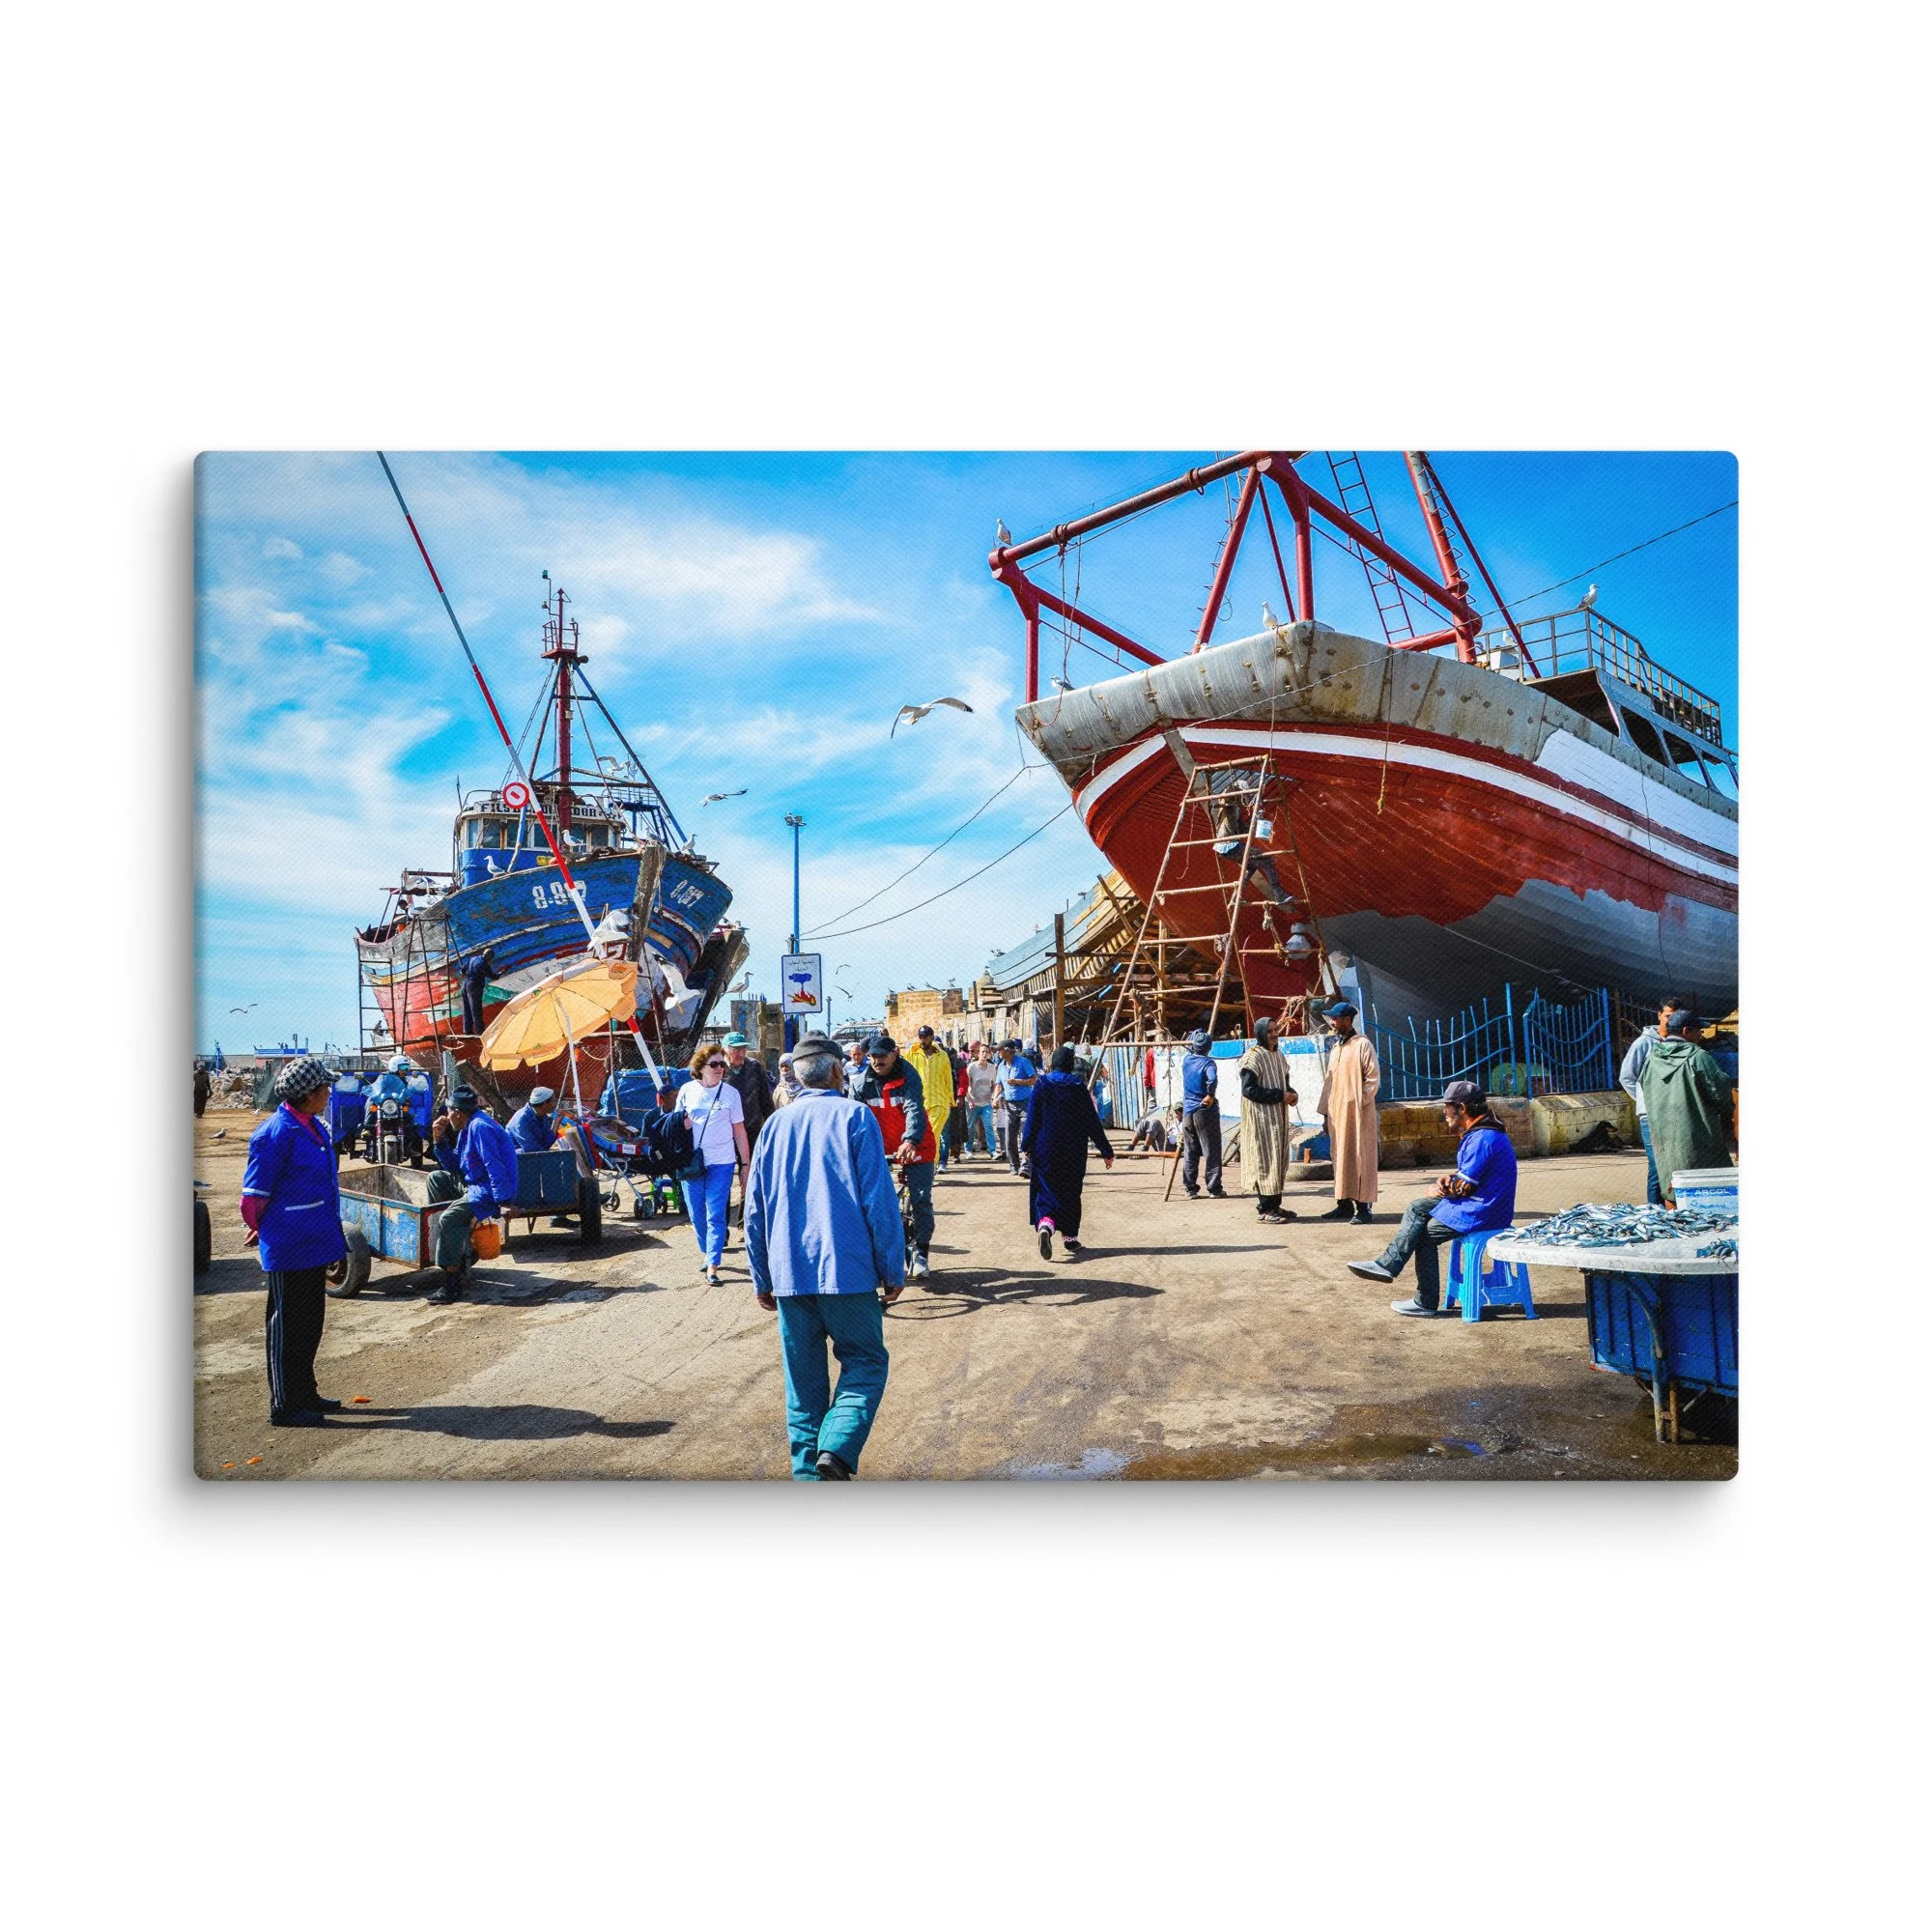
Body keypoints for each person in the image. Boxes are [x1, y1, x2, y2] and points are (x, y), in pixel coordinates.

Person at [744, 1033, 904, 1480]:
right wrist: (893, 1266)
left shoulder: (775, 1126)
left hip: (790, 1276)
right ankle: (836, 1448)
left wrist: (761, 1275)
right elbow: (878, 1199)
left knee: (803, 1390)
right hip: (848, 1272)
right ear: (837, 1071)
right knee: (866, 1362)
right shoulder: (855, 1116)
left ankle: (810, 1481)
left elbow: (753, 1209)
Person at [1347, 1080, 1518, 1317]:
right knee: (1418, 1208)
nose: (1444, 1113)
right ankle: (1388, 1266)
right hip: (1478, 1203)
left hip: (1482, 1210)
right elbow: (1471, 1175)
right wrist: (1448, 1181)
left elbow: (1465, 1186)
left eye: (1448, 1107)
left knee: (1423, 1235)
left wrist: (1441, 1189)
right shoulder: (1481, 1132)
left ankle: (1422, 1299)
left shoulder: (1483, 1138)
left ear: (1462, 1109)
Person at [240, 1056, 349, 1427]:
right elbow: (254, 1196)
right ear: (308, 1094)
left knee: (309, 1323)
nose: (329, 1092)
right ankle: (285, 1404)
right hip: (290, 1244)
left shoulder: (312, 1126)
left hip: (314, 1238)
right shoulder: (275, 1133)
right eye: (324, 1087)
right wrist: (263, 1226)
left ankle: (306, 1393)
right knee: (286, 1326)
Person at [850, 1033, 936, 1279]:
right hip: (880, 1150)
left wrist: (910, 1140)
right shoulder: (859, 1084)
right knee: (871, 1202)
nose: (877, 1061)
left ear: (895, 1054)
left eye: (882, 1056)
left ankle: (921, 1251)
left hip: (917, 1145)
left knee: (920, 1199)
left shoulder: (909, 1076)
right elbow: (855, 1121)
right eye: (872, 1057)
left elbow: (914, 1109)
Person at [424, 1085, 521, 1303]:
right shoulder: (468, 1127)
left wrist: (504, 1201)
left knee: (449, 1219)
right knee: (436, 1178)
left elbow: (494, 1166)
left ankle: (451, 1283)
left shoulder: (480, 1127)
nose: (446, 1117)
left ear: (457, 1112)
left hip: (486, 1190)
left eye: (448, 1111)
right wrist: (438, 1139)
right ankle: (456, 1248)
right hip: (473, 1183)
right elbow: (456, 1165)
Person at [1022, 1045, 1116, 1259]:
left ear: (1052, 1063)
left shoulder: (1042, 1084)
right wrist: (1106, 1151)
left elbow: (1032, 1119)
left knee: (1046, 1189)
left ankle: (1046, 1224)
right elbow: (1092, 1122)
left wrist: (1026, 1146)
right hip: (1073, 1150)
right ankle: (1070, 1238)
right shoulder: (1077, 1086)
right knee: (1071, 1192)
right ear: (1071, 1064)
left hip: (1045, 1149)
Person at [1638, 1009, 1735, 1204]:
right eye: (1698, 1030)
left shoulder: (1651, 1060)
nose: (1701, 1035)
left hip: (1663, 1138)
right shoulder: (1698, 1057)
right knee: (1710, 1191)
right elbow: (1721, 1094)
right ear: (1685, 1031)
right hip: (1700, 1138)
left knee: (1672, 1189)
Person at [676, 1042, 752, 1285]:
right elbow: (673, 1124)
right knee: (696, 1213)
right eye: (715, 1064)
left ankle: (713, 1264)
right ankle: (707, 1251)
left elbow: (739, 1131)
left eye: (722, 1064)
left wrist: (746, 1165)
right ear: (701, 1067)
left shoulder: (731, 1094)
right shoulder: (687, 1090)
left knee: (716, 1213)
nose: (720, 1068)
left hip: (722, 1162)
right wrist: (682, 1126)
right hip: (692, 1162)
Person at [1619, 995, 1690, 1205]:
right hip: (1650, 1116)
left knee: (1675, 1162)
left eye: (1676, 1017)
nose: (1671, 1021)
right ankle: (1653, 1211)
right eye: (1668, 1016)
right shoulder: (1644, 1043)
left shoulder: (1681, 1042)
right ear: (1659, 1015)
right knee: (1656, 1165)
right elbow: (1626, 1076)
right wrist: (1646, 1100)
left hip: (1674, 1113)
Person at [1316, 1002, 1380, 1224]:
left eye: (1336, 1019)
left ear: (1347, 1020)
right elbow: (1328, 1084)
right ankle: (1343, 1205)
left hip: (1358, 1115)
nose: (1332, 1023)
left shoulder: (1363, 1045)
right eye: (1331, 1019)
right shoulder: (1336, 1048)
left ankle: (1363, 1209)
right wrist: (1325, 1113)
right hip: (1336, 1116)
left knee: (1360, 1158)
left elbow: (1372, 1080)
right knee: (1340, 1158)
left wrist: (1356, 1101)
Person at [1237, 1016, 1298, 1223]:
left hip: (1278, 1118)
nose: (1274, 1034)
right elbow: (1249, 1090)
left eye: (1275, 1030)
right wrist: (1279, 1095)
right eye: (1270, 1031)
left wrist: (1291, 1094)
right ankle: (1264, 1210)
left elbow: (1285, 1083)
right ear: (1261, 1034)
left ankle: (1275, 1206)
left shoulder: (1279, 1056)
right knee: (1265, 1161)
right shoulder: (1252, 1058)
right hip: (1261, 1119)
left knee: (1278, 1161)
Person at [1179, 1029, 1226, 1199]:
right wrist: (1210, 1095)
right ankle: (1214, 1188)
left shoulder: (1186, 1060)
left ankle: (1190, 1188)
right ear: (1209, 1047)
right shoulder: (1209, 1064)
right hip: (1204, 1110)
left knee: (1190, 1151)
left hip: (1187, 1112)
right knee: (1211, 1149)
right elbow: (1212, 1079)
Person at [904, 1025, 955, 1175]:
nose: (923, 1039)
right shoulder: (911, 1054)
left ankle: (929, 1169)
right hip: (918, 1102)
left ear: (932, 1037)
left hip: (939, 1101)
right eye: (920, 1036)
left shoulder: (942, 1055)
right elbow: (904, 1075)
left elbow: (948, 1079)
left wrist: (950, 1099)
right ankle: (923, 1166)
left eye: (925, 1036)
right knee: (924, 1136)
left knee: (932, 1134)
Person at [721, 1032, 776, 1148]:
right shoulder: (717, 1068)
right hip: (725, 1128)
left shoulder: (754, 1066)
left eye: (744, 1049)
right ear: (724, 1050)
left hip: (751, 1127)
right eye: (736, 1050)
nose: (741, 1054)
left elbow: (765, 1098)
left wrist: (772, 1124)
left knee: (750, 1163)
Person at [994, 1038, 1037, 1176]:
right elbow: (999, 1085)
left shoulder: (1023, 1062)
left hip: (1026, 1103)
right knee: (1010, 1136)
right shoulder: (1001, 1066)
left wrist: (1017, 1082)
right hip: (1009, 1105)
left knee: (1026, 1135)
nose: (998, 1052)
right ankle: (1014, 1165)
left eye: (1000, 1049)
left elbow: (1034, 1079)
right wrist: (995, 1098)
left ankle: (1027, 1166)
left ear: (1008, 1050)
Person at [962, 1041, 999, 1157]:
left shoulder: (992, 1068)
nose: (984, 1054)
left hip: (986, 1101)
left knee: (988, 1126)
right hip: (972, 1101)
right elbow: (967, 1085)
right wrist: (970, 1099)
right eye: (982, 1052)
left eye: (987, 1052)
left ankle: (992, 1150)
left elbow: (994, 1084)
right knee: (970, 1126)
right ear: (978, 1053)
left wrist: (994, 1096)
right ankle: (968, 1149)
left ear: (989, 1054)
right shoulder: (971, 1067)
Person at [506, 1085, 559, 1151]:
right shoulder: (521, 1121)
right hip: (515, 1158)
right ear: (545, 1103)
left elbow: (546, 1144)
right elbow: (533, 1150)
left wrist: (557, 1122)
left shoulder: (543, 1115)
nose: (555, 1105)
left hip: (534, 1155)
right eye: (554, 1101)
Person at [459, 945, 496, 1036]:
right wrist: (500, 973)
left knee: (467, 1008)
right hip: (474, 986)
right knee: (476, 1009)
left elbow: (462, 971)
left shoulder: (473, 959)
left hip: (466, 984)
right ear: (489, 957)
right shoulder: (483, 964)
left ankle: (467, 1031)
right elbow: (492, 976)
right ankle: (480, 1031)